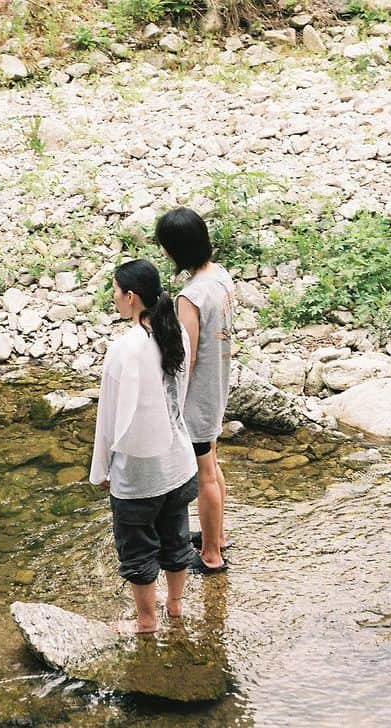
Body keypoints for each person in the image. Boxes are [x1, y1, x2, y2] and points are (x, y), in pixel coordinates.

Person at [90, 259, 199, 634]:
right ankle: (175, 607)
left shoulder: (124, 349)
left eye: (116, 291)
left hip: (140, 475)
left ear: (131, 296)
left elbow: (109, 419)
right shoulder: (176, 332)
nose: (114, 298)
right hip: (180, 463)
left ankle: (146, 621)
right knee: (175, 536)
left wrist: (101, 471)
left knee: (138, 549)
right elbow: (177, 398)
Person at [154, 207, 236, 575]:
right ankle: (214, 536)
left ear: (175, 251)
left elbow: (184, 357)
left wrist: (168, 403)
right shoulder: (219, 277)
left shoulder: (190, 296)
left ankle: (212, 556)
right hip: (218, 384)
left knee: (204, 473)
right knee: (212, 464)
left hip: (198, 396)